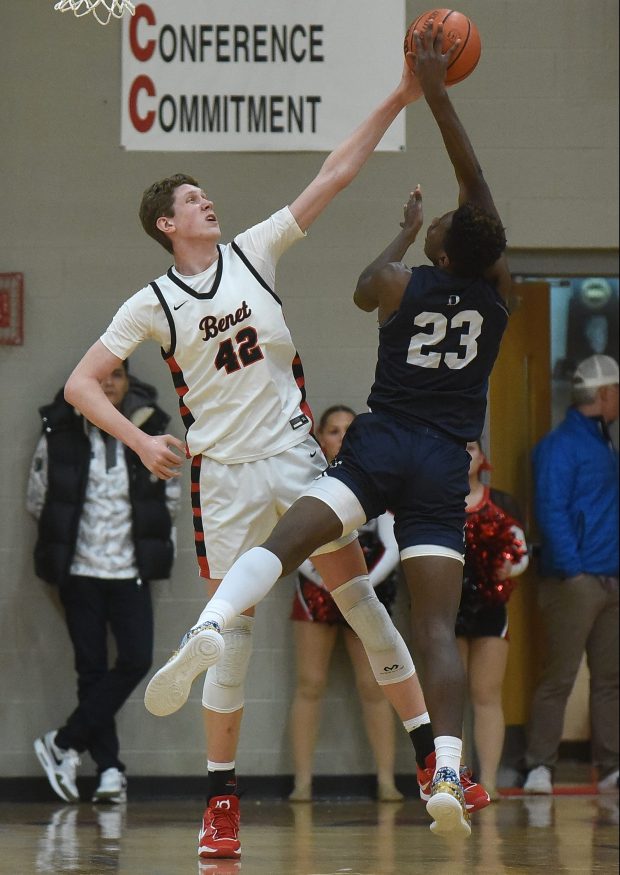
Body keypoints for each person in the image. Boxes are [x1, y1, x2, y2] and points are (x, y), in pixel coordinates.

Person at [62, 51, 479, 859]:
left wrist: (399, 91)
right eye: (191, 199)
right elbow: (83, 383)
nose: (206, 202)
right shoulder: (150, 303)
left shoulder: (254, 250)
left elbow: (335, 172)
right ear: (165, 224)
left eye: (204, 195)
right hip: (222, 474)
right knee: (236, 640)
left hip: (295, 459)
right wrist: (144, 437)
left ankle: (432, 760)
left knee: (359, 603)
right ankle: (222, 804)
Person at [148, 21, 511, 839]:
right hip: (442, 468)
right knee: (429, 626)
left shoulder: (397, 282)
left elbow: (361, 285)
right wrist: (435, 95)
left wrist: (404, 225)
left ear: (439, 250)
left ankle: (207, 625)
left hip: (376, 448)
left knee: (278, 551)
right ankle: (445, 766)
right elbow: (481, 204)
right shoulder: (498, 298)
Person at [29, 361, 179, 804]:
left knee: (136, 659)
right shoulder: (59, 431)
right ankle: (110, 769)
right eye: (102, 376)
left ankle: (64, 742)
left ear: (129, 381)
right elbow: (38, 495)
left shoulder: (152, 428)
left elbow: (169, 496)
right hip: (79, 571)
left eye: (118, 375)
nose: (109, 383)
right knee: (91, 669)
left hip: (130, 569)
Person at [289, 405, 403, 803]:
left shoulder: (378, 481)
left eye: (348, 430)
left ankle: (386, 779)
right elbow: (294, 541)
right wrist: (325, 580)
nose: (340, 437)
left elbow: (392, 546)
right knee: (310, 684)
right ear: (320, 438)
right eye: (333, 431)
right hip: (316, 591)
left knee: (374, 685)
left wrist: (359, 587)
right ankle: (302, 782)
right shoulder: (306, 481)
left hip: (365, 588)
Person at [523, 354, 619, 795]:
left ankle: (611, 766)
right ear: (603, 395)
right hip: (574, 582)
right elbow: (551, 510)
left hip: (608, 577)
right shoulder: (561, 445)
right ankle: (539, 765)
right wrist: (576, 572)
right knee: (559, 677)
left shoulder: (603, 442)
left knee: (609, 679)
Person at [456, 440, 529, 800]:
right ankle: (454, 781)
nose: (464, 455)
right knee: (451, 696)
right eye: (457, 448)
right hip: (446, 609)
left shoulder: (502, 503)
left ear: (483, 456)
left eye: (470, 448)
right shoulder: (436, 503)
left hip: (489, 607)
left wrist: (508, 567)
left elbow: (521, 551)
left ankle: (489, 781)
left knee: (486, 694)